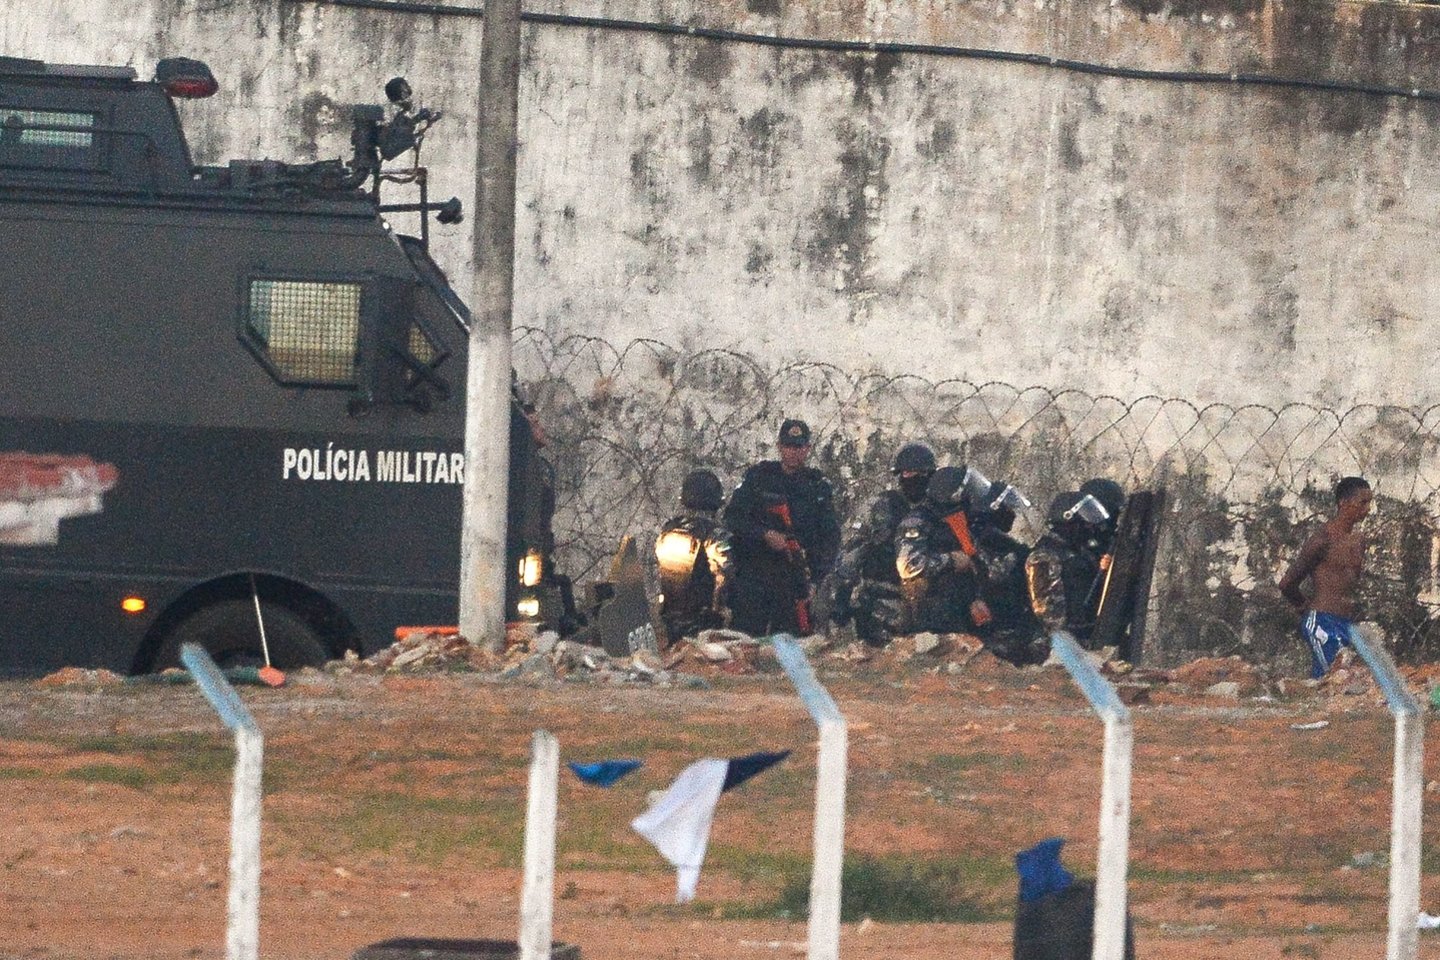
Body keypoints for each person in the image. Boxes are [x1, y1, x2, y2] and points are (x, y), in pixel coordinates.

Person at [723, 419, 841, 636]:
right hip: (754, 577)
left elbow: (830, 539)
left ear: (807, 449)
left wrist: (815, 581)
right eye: (788, 446)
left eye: (799, 447)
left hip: (793, 581)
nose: (793, 452)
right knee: (744, 642)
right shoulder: (759, 477)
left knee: (791, 644)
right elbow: (733, 519)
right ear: (779, 446)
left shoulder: (817, 487)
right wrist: (764, 534)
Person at [831, 443, 937, 645]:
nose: (912, 478)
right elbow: (851, 552)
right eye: (907, 473)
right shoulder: (880, 507)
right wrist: (842, 595)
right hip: (884, 602)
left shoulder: (940, 509)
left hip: (929, 605)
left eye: (919, 473)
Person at [1278, 476, 1373, 678]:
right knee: (1335, 679)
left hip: (1347, 624)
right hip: (1323, 622)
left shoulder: (1358, 541)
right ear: (1344, 503)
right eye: (1362, 503)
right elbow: (1287, 583)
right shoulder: (1322, 540)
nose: (1367, 509)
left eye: (1369, 503)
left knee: (1332, 682)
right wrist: (1303, 606)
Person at [895, 466, 991, 635]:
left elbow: (974, 561)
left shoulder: (956, 519)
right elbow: (908, 565)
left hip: (961, 610)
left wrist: (977, 598)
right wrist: (950, 560)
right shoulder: (918, 521)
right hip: (930, 615)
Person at [654, 469, 735, 646]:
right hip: (702, 620)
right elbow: (725, 576)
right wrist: (719, 611)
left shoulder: (669, 528)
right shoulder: (715, 534)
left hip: (670, 615)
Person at [1025, 491, 1111, 644]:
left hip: (1089, 633)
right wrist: (1073, 639)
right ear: (1069, 522)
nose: (1089, 528)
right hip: (1065, 643)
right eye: (1084, 523)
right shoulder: (1043, 556)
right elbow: (1045, 610)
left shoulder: (1079, 551)